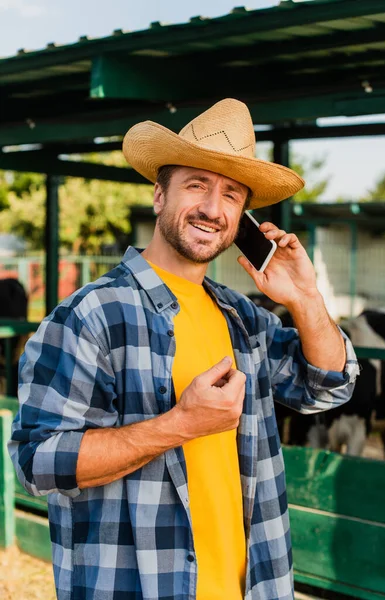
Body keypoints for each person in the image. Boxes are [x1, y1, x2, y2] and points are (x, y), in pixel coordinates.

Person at [9, 98, 359, 600]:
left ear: (242, 218)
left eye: (232, 195)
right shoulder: (91, 315)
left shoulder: (244, 318)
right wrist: (180, 426)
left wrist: (304, 298)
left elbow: (329, 385)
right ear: (158, 195)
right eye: (197, 185)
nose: (213, 209)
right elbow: (37, 461)